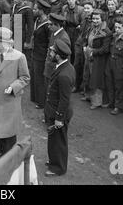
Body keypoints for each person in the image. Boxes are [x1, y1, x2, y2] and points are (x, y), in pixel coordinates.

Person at [0, 27, 30, 159]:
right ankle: (1, 150)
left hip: (10, 100)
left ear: (5, 43)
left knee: (9, 130)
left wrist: (14, 87)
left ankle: (9, 155)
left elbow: (25, 78)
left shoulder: (19, 57)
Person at [44, 39, 75, 176]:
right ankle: (53, 161)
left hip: (59, 112)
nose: (50, 53)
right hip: (54, 110)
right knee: (54, 139)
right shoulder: (65, 67)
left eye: (52, 51)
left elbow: (64, 99)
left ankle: (58, 168)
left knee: (59, 141)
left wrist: (59, 118)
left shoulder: (64, 75)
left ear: (58, 55)